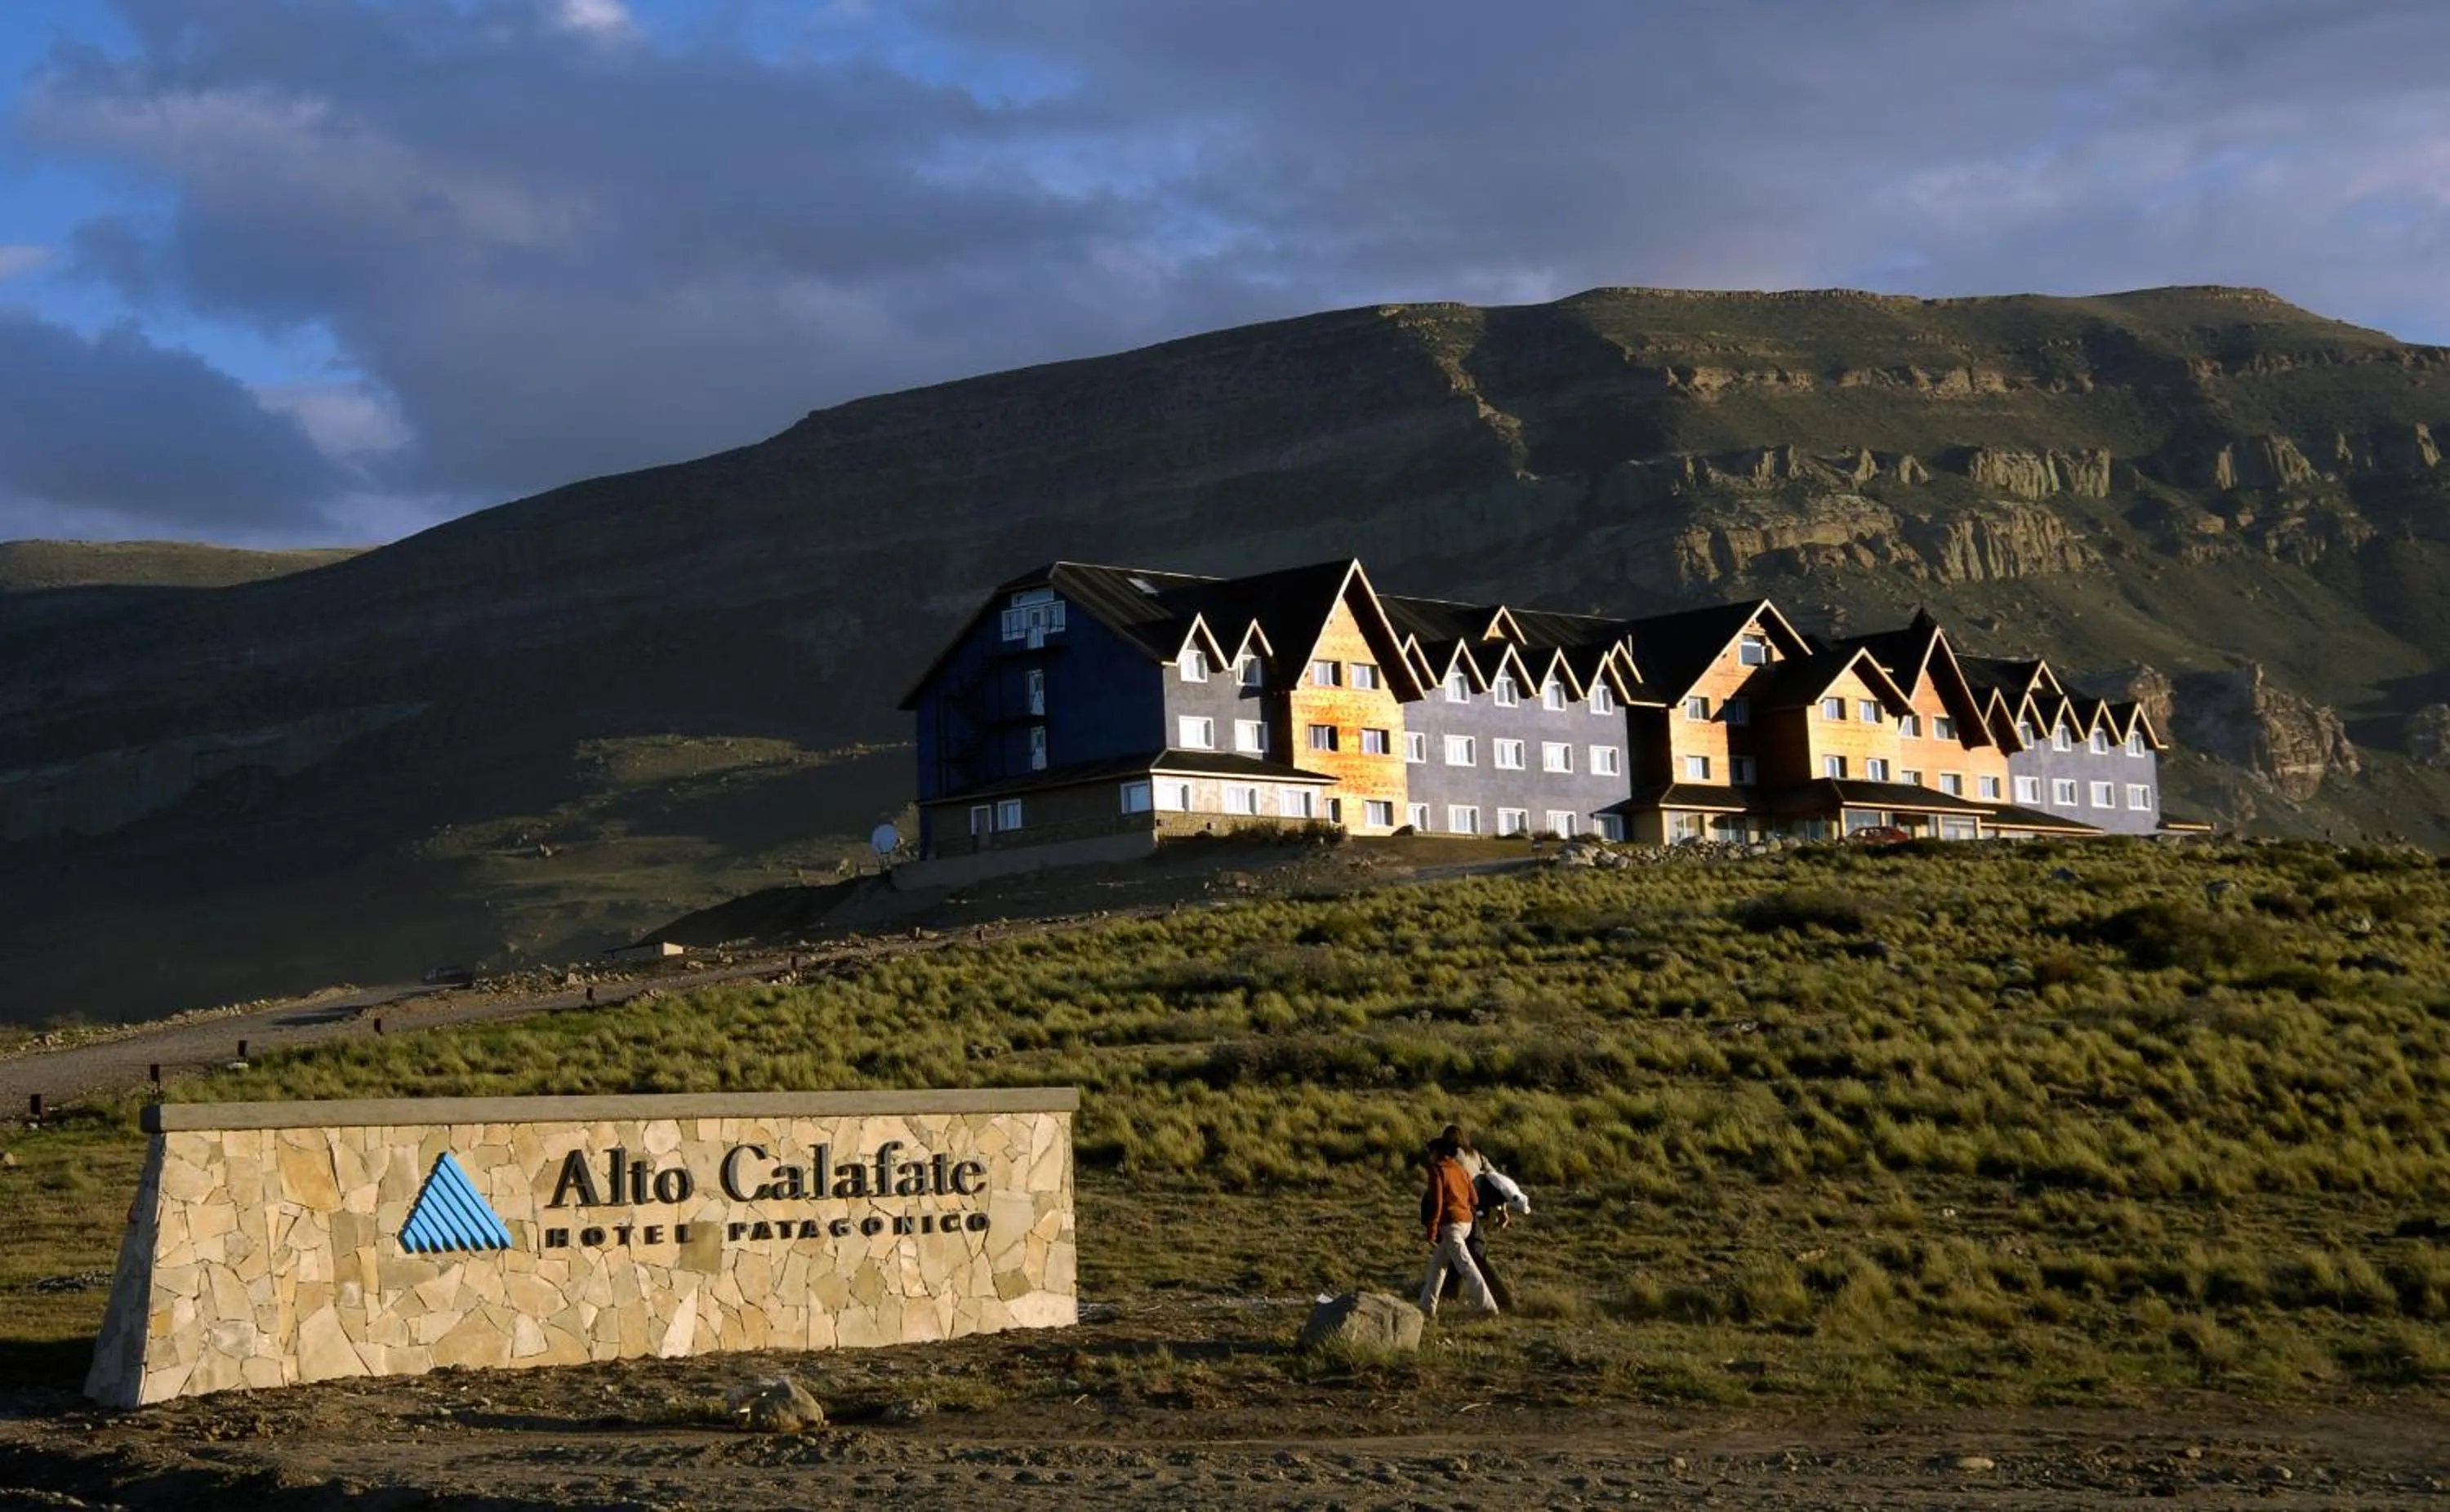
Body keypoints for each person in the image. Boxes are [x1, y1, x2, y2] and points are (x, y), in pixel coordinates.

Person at [1417, 1131, 1499, 1319]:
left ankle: (1487, 1306)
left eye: (1430, 1152)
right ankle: (1426, 1306)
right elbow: (1475, 1199)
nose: (1429, 1156)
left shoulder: (1437, 1170)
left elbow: (1437, 1203)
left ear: (1437, 1153)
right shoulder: (1460, 1170)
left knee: (1465, 1265)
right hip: (1466, 1223)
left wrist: (1432, 1229)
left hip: (1451, 1225)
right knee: (1438, 1263)